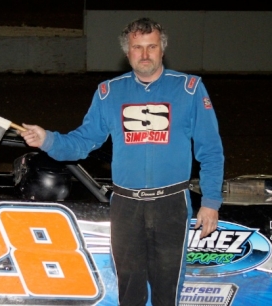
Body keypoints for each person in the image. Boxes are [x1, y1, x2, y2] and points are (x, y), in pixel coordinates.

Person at [19, 17, 224, 306]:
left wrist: (211, 201)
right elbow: (82, 142)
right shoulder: (109, 93)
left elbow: (211, 149)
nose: (144, 54)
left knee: (168, 292)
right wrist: (47, 140)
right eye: (137, 47)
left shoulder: (189, 89)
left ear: (162, 50)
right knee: (129, 291)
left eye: (151, 46)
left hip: (171, 204)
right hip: (126, 206)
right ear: (126, 53)